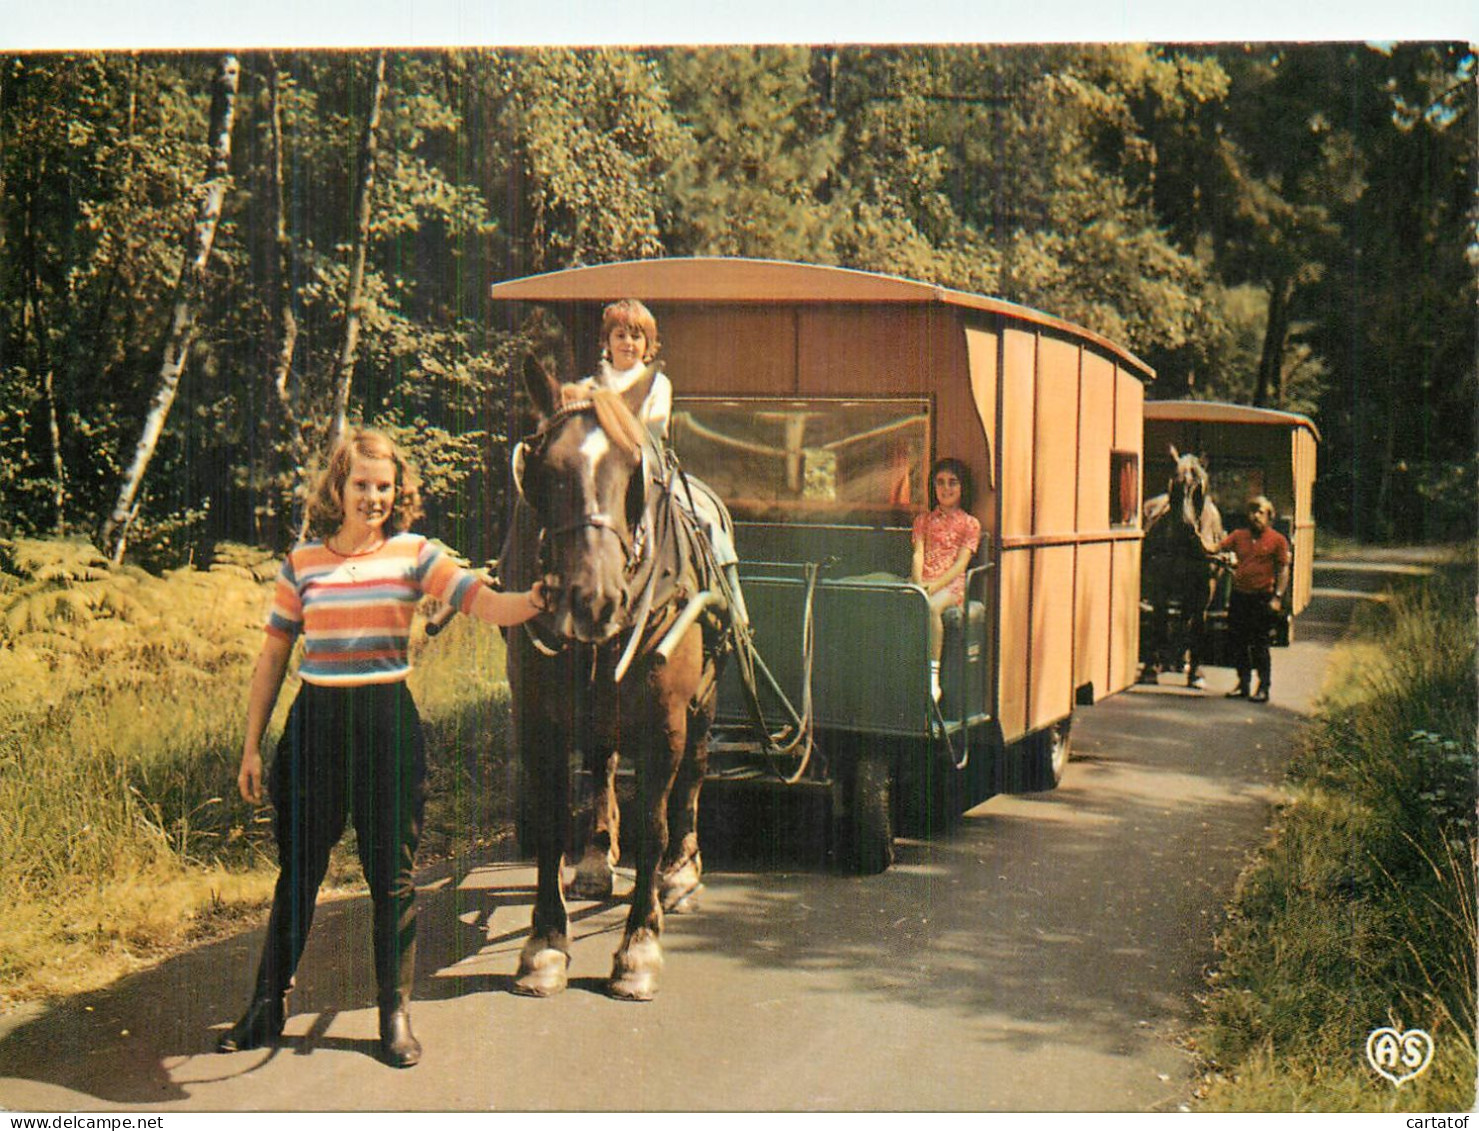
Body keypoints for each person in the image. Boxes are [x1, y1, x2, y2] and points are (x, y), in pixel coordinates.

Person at [218, 428, 548, 1068]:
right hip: (314, 726)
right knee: (299, 875)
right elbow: (272, 659)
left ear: (399, 493)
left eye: (384, 486)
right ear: (337, 489)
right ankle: (266, 1004)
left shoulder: (415, 554)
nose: (373, 496)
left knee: (391, 879)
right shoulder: (302, 564)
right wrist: (252, 748)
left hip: (386, 727)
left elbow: (484, 603)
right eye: (361, 484)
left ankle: (393, 1015)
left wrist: (532, 602)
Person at [572, 298, 747, 625]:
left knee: (704, 516)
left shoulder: (657, 384)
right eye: (620, 335)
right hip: (600, 479)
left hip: (647, 472)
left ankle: (732, 593)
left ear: (648, 345)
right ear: (606, 342)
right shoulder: (589, 387)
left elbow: (651, 431)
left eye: (637, 337)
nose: (628, 343)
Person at [911, 457, 982, 700]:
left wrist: (932, 587)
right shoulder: (923, 520)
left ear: (962, 488)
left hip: (952, 586)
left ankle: (933, 680)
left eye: (952, 482)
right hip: (925, 580)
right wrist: (918, 581)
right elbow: (918, 553)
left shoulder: (970, 524)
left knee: (931, 607)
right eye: (940, 482)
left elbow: (961, 564)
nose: (946, 488)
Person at [1217, 495, 1290, 703]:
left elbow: (1283, 570)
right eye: (1253, 511)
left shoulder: (1277, 540)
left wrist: (1277, 597)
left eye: (1261, 512)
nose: (1256, 516)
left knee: (1260, 644)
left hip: (1262, 598)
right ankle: (1243, 684)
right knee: (1238, 643)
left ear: (1269, 516)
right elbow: (1217, 548)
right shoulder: (1239, 536)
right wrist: (1197, 538)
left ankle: (1263, 687)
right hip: (1240, 596)